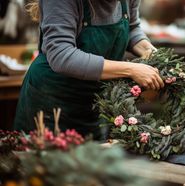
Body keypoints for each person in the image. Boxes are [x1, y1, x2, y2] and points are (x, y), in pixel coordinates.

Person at [14, 0, 165, 139]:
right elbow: (61, 55)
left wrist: (153, 54)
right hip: (51, 102)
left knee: (93, 162)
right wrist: (131, 69)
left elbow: (132, 27)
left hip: (93, 103)